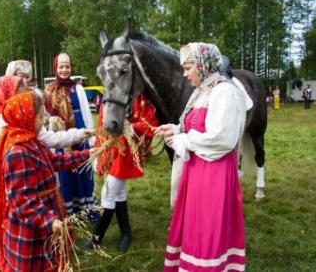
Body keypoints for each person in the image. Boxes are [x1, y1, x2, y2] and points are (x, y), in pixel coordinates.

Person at [154, 42, 246, 271]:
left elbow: (221, 138)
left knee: (208, 229)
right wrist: (175, 130)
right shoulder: (203, 90)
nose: (184, 74)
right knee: (195, 227)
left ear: (203, 65)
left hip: (214, 173)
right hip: (196, 170)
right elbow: (196, 126)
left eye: (188, 68)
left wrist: (184, 140)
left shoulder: (224, 91)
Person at [0, 91, 97, 271]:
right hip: (30, 225)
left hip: (45, 212)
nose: (43, 122)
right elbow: (23, 201)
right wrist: (50, 221)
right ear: (25, 118)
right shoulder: (17, 153)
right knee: (34, 265)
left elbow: (56, 161)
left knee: (50, 261)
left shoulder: (34, 141)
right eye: (40, 117)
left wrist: (87, 154)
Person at [81, 94, 158, 253]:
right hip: (110, 150)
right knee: (118, 193)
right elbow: (102, 124)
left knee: (107, 193)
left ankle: (96, 238)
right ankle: (126, 233)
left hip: (127, 151)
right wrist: (98, 152)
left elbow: (150, 122)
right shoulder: (109, 94)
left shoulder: (139, 96)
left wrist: (132, 128)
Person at [43, 53, 98, 221]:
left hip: (80, 133)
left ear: (71, 67)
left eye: (67, 66)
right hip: (59, 136)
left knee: (82, 170)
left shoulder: (78, 88)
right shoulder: (49, 90)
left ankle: (86, 210)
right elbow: (44, 115)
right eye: (61, 66)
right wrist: (50, 121)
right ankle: (68, 210)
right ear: (55, 68)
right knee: (64, 174)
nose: (64, 69)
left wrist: (91, 137)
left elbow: (86, 113)